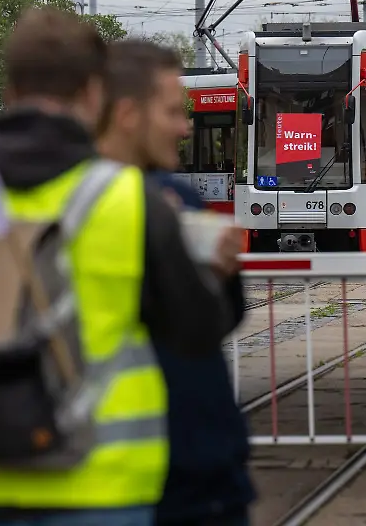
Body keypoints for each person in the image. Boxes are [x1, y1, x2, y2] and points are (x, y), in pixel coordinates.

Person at [0, 8, 236, 526]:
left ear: (11, 90)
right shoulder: (127, 200)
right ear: (93, 92)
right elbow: (195, 334)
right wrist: (220, 273)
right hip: (95, 488)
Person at [97, 39, 254, 526]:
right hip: (154, 466)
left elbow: (220, 319)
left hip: (201, 466)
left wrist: (221, 276)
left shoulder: (178, 196)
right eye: (171, 112)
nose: (185, 128)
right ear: (128, 114)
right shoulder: (90, 204)